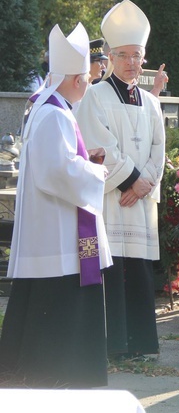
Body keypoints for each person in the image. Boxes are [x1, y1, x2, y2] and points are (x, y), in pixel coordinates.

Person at [0, 23, 112, 387]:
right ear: (78, 79)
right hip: (57, 229)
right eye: (88, 78)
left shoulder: (47, 106)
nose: (89, 83)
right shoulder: (56, 113)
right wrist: (97, 173)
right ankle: (62, 371)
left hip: (53, 225)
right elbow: (56, 171)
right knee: (59, 299)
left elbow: (58, 161)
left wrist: (85, 160)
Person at [76, 0, 166, 359]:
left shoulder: (152, 102)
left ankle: (142, 343)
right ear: (111, 56)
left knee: (140, 272)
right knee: (114, 270)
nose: (132, 62)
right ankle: (115, 345)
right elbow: (99, 143)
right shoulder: (93, 96)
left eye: (138, 55)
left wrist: (145, 182)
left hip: (139, 202)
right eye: (125, 55)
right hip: (113, 200)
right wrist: (132, 180)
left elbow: (159, 148)